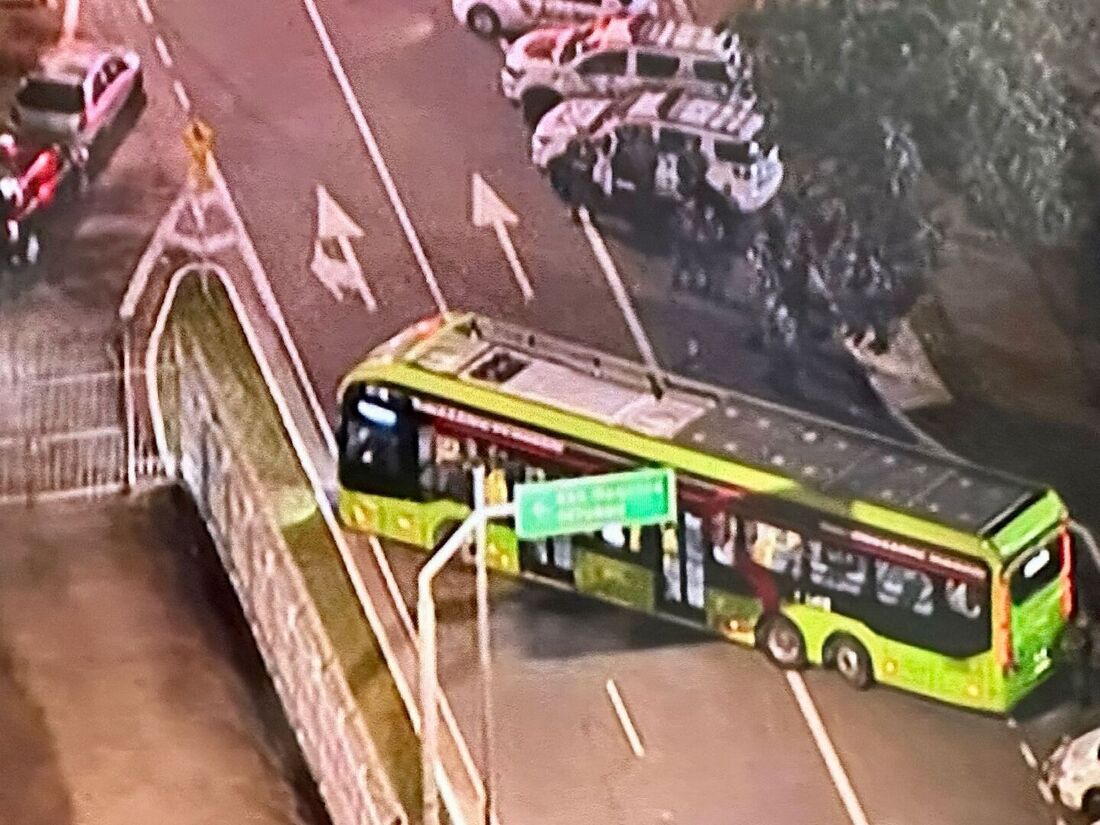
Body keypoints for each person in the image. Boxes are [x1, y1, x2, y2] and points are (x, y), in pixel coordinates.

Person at [1061, 612, 1092, 707]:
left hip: (1078, 660)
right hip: (1078, 660)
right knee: (1081, 679)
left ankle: (1084, 699)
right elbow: (1074, 644)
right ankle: (1083, 699)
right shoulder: (1073, 632)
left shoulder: (1073, 631)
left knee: (1082, 678)